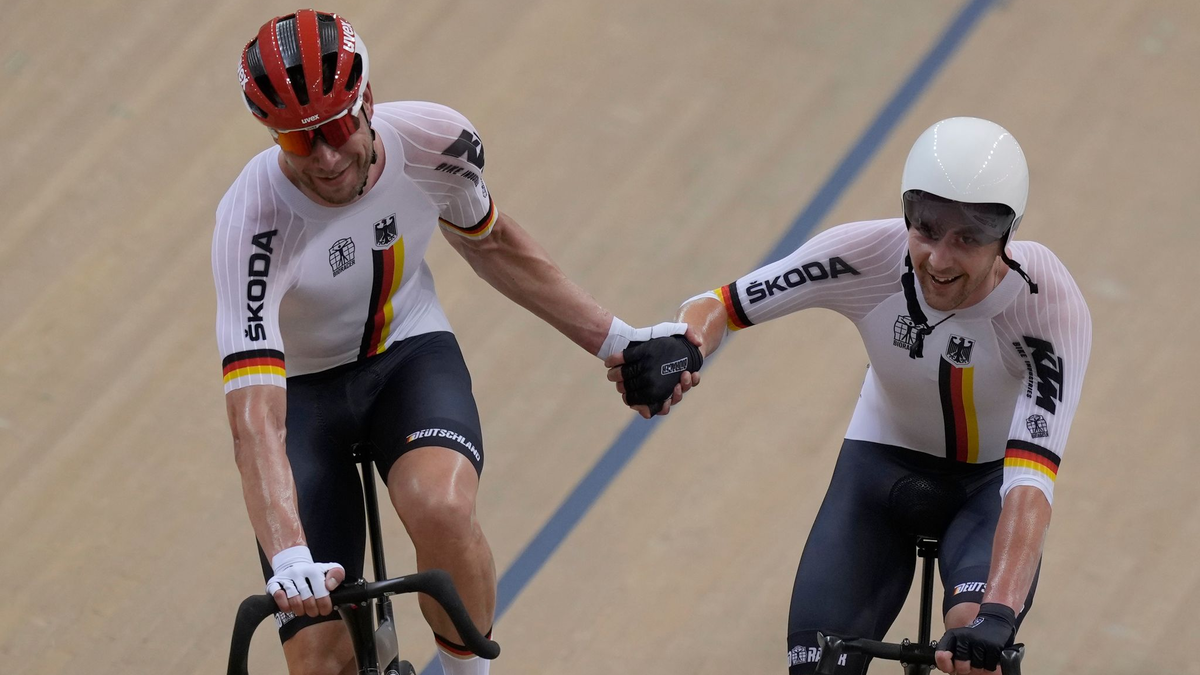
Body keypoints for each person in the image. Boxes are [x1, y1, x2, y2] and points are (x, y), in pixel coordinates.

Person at [213, 10, 692, 675]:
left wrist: (615, 340)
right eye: (298, 144)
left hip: (409, 355)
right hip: (303, 398)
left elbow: (494, 242)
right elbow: (256, 417)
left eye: (335, 129)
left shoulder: (436, 140)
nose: (323, 158)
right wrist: (289, 551)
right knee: (320, 662)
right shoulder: (251, 221)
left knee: (438, 504)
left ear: (368, 103)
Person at [607, 117, 1091, 674]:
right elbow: (724, 304)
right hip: (877, 469)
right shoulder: (867, 254)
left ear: (1004, 238)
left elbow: (1029, 484)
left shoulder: (1043, 304)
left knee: (972, 648)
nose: (938, 260)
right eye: (927, 230)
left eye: (967, 239)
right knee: (817, 667)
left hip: (990, 486)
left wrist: (998, 616)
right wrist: (686, 346)